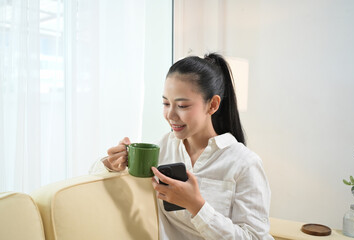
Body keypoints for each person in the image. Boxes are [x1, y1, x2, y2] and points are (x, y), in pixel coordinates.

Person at [100, 53, 273, 239]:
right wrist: (111, 164)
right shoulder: (165, 147)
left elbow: (255, 237)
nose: (170, 115)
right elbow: (100, 181)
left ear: (213, 105)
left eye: (182, 106)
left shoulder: (244, 163)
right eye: (166, 103)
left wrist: (197, 206)